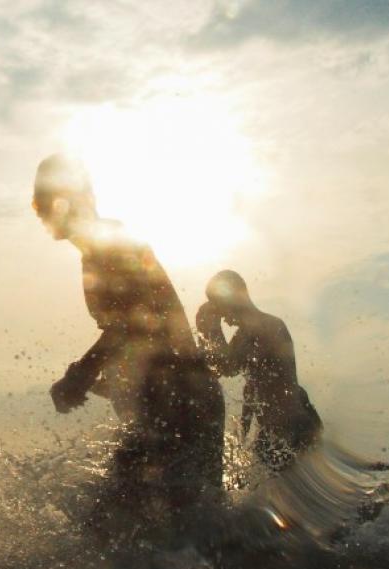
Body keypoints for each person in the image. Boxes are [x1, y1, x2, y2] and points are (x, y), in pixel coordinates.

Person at [30, 154, 225, 522]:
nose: (39, 214)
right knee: (181, 534)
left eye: (40, 203)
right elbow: (142, 339)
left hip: (183, 402)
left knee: (111, 525)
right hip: (177, 400)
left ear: (64, 200)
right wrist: (108, 383)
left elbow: (135, 324)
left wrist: (80, 375)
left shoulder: (109, 242)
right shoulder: (98, 248)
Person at [195, 270, 323, 472]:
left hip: (289, 430)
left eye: (220, 310)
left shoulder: (264, 327)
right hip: (283, 428)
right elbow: (251, 381)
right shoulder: (251, 331)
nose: (224, 320)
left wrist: (210, 329)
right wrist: (244, 433)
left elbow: (227, 367)